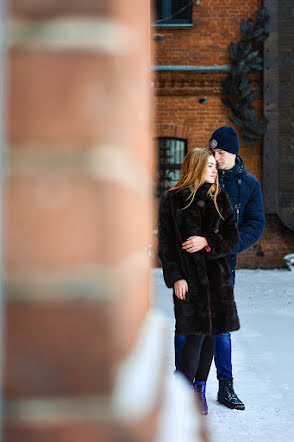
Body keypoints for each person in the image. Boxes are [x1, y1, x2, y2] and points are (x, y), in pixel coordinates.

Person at [158, 148, 241, 415]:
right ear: (194, 168)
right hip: (188, 280)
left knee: (211, 335)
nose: (214, 170)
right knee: (193, 334)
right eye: (208, 166)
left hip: (217, 281)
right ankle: (182, 390)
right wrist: (176, 278)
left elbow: (233, 237)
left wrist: (207, 242)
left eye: (214, 166)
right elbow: (167, 244)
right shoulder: (172, 200)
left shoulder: (220, 197)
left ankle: (199, 391)